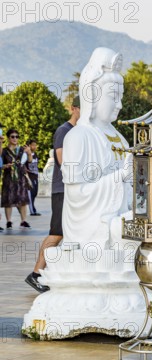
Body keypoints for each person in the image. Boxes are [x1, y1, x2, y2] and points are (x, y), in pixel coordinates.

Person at [61, 47, 130, 248]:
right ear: (91, 94)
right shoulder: (78, 136)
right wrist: (120, 177)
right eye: (113, 96)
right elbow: (76, 195)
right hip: (92, 228)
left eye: (121, 97)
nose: (119, 105)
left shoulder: (121, 139)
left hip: (121, 215)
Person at [25, 97, 80, 293]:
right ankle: (36, 274)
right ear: (74, 109)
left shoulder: (80, 132)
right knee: (56, 233)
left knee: (69, 234)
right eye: (83, 109)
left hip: (75, 191)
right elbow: (63, 160)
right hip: (62, 190)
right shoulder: (64, 131)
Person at [1, 128, 32, 229]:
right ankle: (9, 221)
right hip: (8, 177)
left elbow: (30, 161)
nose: (15, 139)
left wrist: (29, 153)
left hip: (21, 177)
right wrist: (4, 166)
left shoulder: (23, 149)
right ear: (9, 138)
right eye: (12, 137)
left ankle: (23, 221)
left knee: (23, 200)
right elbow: (0, 163)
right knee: (8, 200)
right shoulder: (4, 151)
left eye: (17, 137)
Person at [25, 139, 41, 216]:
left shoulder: (35, 155)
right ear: (29, 145)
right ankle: (32, 211)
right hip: (29, 177)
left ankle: (33, 209)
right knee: (30, 194)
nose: (35, 146)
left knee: (34, 193)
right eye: (33, 145)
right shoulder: (25, 155)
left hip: (35, 176)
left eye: (35, 145)